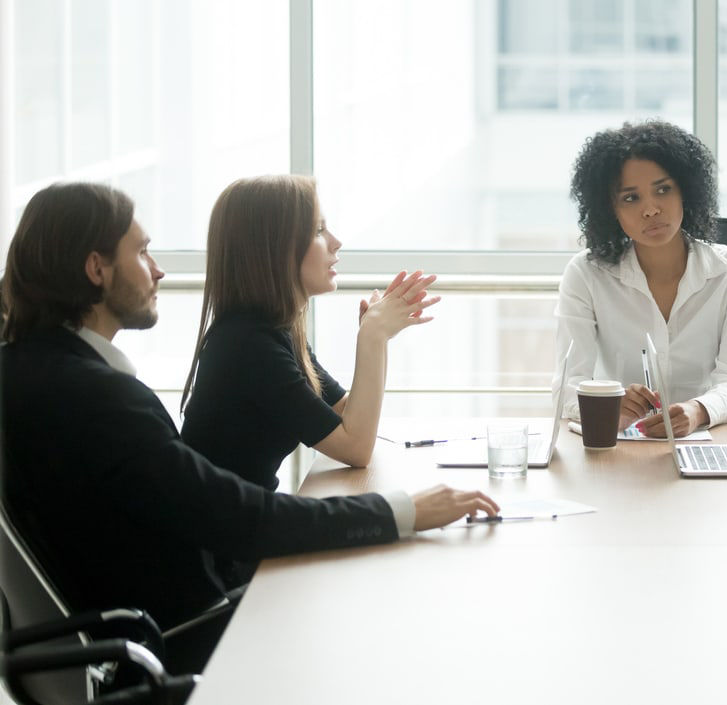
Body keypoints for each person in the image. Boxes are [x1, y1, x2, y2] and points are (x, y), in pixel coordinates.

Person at [0, 182, 498, 675]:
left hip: (158, 621)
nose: (159, 268)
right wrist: (401, 511)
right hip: (185, 634)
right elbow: (240, 519)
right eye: (144, 251)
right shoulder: (99, 397)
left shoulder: (34, 374)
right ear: (96, 268)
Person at [180, 175, 436, 491]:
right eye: (317, 230)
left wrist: (378, 337)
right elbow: (355, 448)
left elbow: (349, 415)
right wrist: (371, 336)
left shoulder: (274, 332)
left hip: (242, 523)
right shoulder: (248, 345)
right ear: (273, 249)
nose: (336, 241)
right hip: (216, 535)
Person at [556, 120, 727, 438]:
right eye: (630, 198)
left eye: (663, 190)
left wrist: (697, 411)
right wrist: (610, 402)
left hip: (712, 443)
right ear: (609, 209)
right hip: (621, 449)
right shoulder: (585, 275)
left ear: (686, 191)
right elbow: (566, 387)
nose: (651, 210)